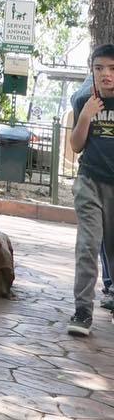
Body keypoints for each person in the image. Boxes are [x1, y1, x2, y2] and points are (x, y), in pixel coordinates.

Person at [67, 45, 114, 337]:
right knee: (87, 246)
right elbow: (75, 146)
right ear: (92, 71)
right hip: (89, 182)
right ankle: (82, 310)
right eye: (99, 68)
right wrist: (85, 115)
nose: (106, 74)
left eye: (112, 68)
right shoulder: (84, 99)